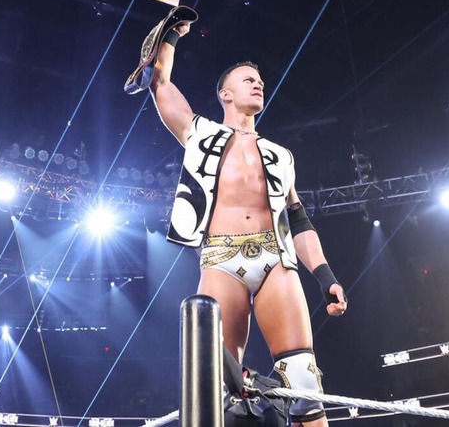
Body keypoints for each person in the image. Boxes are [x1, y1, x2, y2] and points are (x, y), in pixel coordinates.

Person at [148, 21, 348, 427]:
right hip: (222, 256)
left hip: (276, 258)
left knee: (305, 384)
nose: (258, 85)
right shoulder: (200, 133)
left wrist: (325, 276)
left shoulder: (281, 155)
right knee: (217, 387)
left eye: (260, 81)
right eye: (248, 80)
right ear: (225, 93)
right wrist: (170, 36)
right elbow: (160, 82)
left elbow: (298, 218)